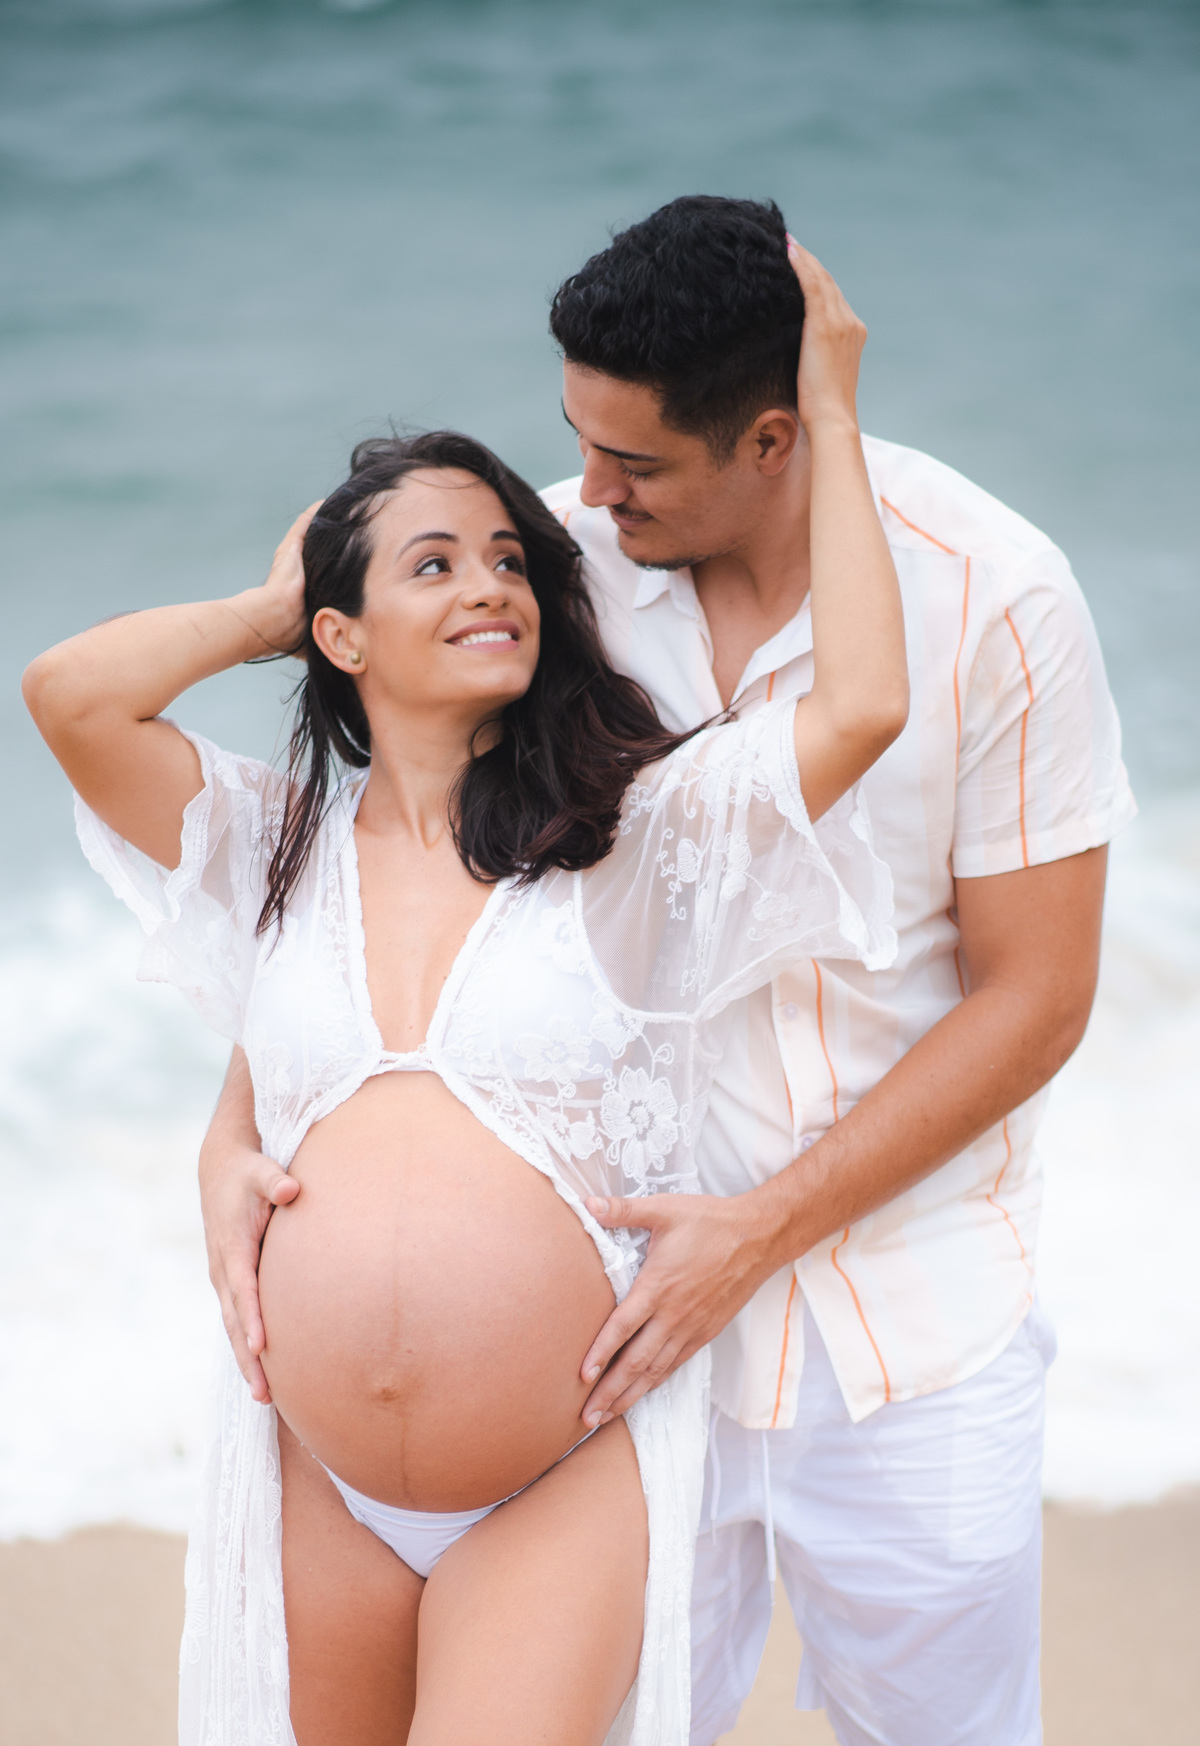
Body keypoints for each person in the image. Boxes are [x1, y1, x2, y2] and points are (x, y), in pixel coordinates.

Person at [200, 196, 1136, 1746]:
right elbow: (405, 858)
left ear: (774, 440)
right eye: (581, 439)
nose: (584, 488)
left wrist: (758, 1232)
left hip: (902, 1322)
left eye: (633, 462)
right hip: (598, 1359)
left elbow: (1035, 996)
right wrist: (238, 1132)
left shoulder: (997, 594)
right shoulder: (552, 577)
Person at [23, 242, 905, 1746]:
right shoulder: (267, 849)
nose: (492, 582)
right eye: (433, 564)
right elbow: (69, 695)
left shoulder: (631, 843)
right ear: (343, 632)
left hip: (553, 1477)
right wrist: (271, 604)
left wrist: (824, 415)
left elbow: (867, 704)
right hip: (318, 1479)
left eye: (508, 558)